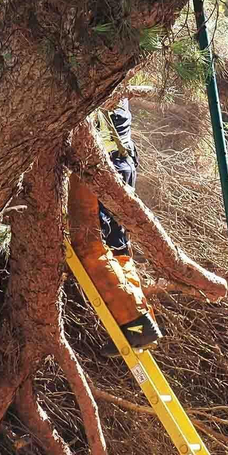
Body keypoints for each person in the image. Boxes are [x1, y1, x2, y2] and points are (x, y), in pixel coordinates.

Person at [67, 99, 163, 348]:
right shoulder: (117, 82)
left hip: (102, 165)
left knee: (90, 246)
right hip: (121, 163)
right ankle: (139, 321)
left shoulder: (96, 81)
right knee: (117, 249)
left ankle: (134, 321)